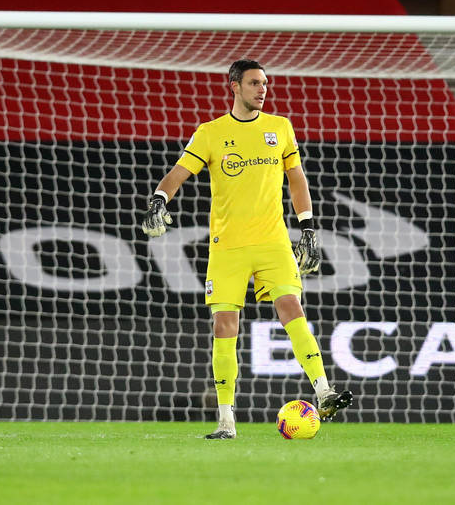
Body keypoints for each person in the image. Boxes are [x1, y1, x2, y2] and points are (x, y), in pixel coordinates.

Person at [142, 59, 353, 439]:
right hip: (228, 247)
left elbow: (297, 178)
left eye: (265, 83)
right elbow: (179, 172)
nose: (263, 89)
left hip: (273, 240)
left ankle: (323, 391)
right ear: (235, 86)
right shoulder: (210, 133)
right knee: (225, 326)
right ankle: (226, 421)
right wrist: (160, 197)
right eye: (255, 83)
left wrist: (307, 227)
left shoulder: (280, 127)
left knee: (292, 307)